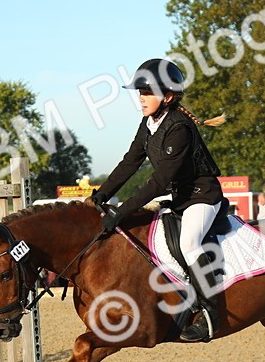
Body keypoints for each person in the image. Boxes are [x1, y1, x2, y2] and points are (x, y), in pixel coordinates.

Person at [92, 58, 226, 343]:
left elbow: (159, 182)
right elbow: (130, 162)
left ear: (167, 97)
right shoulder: (149, 123)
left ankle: (212, 315)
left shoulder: (179, 128)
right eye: (139, 93)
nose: (141, 99)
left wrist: (122, 211)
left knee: (190, 243)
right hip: (179, 198)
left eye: (147, 93)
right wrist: (101, 194)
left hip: (202, 196)